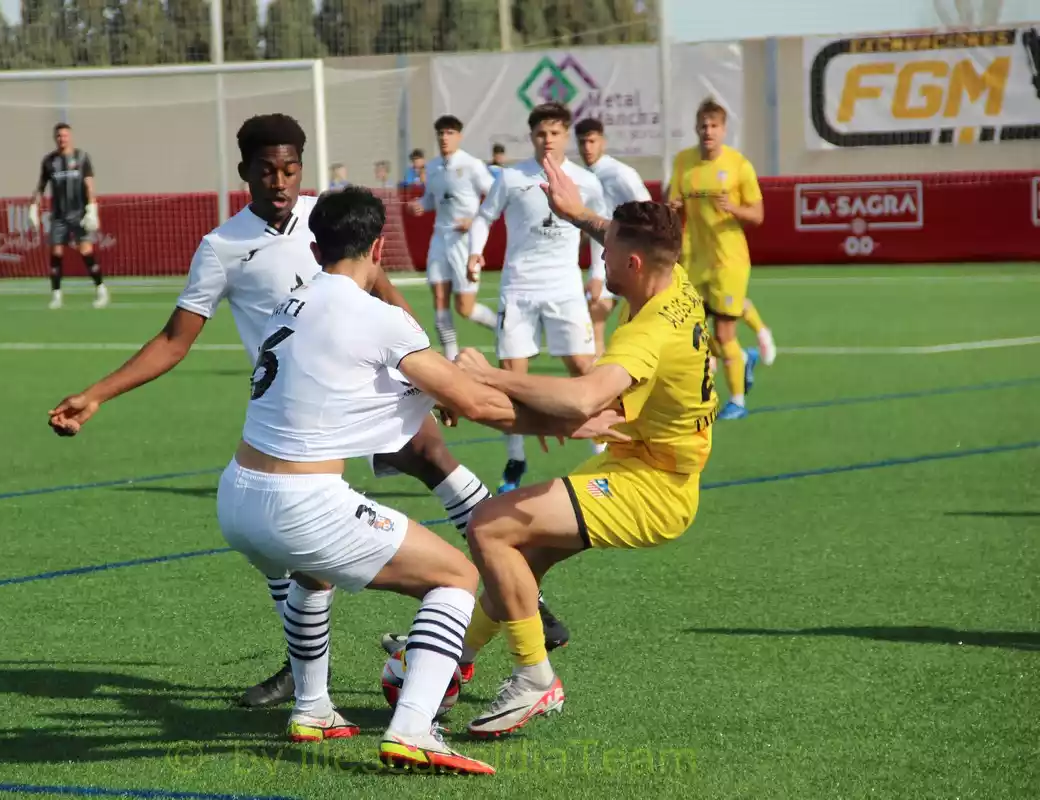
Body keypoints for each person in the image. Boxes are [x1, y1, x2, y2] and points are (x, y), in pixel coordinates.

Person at [45, 113, 569, 706]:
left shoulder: (326, 219)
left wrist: (431, 373)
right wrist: (96, 394)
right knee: (292, 558)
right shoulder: (222, 248)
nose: (281, 181)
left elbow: (383, 292)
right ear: (244, 171)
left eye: (291, 168)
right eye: (267, 170)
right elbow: (173, 342)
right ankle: (305, 679)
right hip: (299, 415)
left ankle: (524, 592)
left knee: (429, 453)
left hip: (367, 386)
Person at [219, 187, 622, 769]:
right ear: (379, 247)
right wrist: (577, 419)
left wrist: (426, 392)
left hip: (236, 496)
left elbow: (346, 379)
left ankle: (312, 709)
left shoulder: (289, 304)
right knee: (456, 576)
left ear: (313, 247)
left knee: (312, 571)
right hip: (299, 502)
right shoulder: (379, 317)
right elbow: (476, 403)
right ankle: (412, 729)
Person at [452, 163, 718, 737]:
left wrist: (492, 377)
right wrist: (581, 216)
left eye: (608, 252)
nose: (599, 257)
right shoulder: (677, 280)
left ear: (635, 265)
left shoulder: (646, 332)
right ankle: (452, 660)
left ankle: (534, 678)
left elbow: (581, 400)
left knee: (489, 527)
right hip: (640, 460)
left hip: (652, 488)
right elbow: (624, 239)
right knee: (524, 554)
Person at [466, 102, 607, 493]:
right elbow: (483, 218)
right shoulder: (511, 178)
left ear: (566, 135)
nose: (548, 140)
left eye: (556, 133)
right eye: (541, 134)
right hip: (519, 289)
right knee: (512, 377)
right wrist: (476, 252)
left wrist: (598, 274)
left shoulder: (586, 182)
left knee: (583, 366)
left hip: (565, 290)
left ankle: (603, 450)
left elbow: (599, 229)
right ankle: (516, 457)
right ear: (532, 137)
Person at [667, 99, 771, 420]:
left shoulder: (739, 165)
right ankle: (742, 357)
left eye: (714, 126)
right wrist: (672, 206)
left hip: (729, 261)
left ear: (724, 130)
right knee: (688, 331)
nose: (707, 131)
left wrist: (735, 208)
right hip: (693, 260)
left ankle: (737, 401)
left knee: (724, 334)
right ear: (696, 128)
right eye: (703, 125)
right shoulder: (683, 161)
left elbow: (758, 215)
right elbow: (674, 201)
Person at [408, 115, 499, 360]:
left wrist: (473, 221)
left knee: (464, 308)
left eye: (449, 133)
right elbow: (431, 198)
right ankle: (450, 358)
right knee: (438, 296)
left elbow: (495, 196)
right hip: (440, 238)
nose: (444, 138)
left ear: (459, 136)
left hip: (465, 241)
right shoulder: (434, 166)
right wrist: (421, 205)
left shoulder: (472, 165)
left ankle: (502, 328)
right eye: (441, 133)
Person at [574, 117, 652, 363]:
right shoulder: (584, 176)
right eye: (583, 142)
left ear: (603, 143)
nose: (587, 147)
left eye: (592, 141)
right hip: (610, 259)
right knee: (595, 313)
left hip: (636, 259)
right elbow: (598, 224)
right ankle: (600, 378)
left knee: (649, 320)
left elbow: (649, 210)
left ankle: (711, 360)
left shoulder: (620, 174)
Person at [30, 123, 108, 310]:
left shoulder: (81, 158)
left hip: (79, 214)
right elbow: (40, 187)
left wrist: (92, 208)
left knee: (85, 250)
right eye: (58, 136)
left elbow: (89, 184)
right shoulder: (49, 161)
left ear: (70, 137)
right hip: (58, 216)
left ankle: (101, 289)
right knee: (56, 253)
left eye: (64, 136)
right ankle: (56, 295)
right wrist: (33, 206)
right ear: (55, 138)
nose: (61, 139)